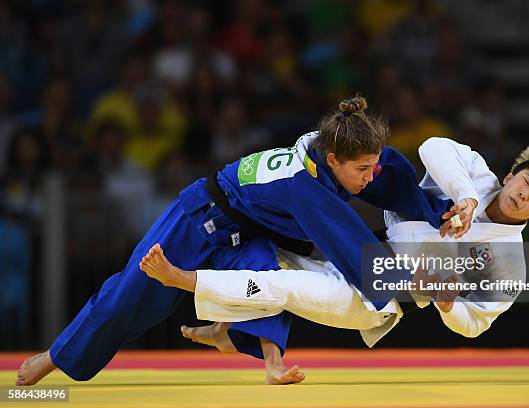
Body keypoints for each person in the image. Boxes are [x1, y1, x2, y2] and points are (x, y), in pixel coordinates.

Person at [17, 97, 452, 386]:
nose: (371, 175)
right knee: (129, 299)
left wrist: (440, 211)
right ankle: (53, 358)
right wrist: (415, 286)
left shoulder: (342, 155)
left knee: (268, 275)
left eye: (372, 164)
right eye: (363, 169)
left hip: (250, 230)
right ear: (334, 159)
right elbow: (356, 250)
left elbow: (392, 172)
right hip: (199, 218)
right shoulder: (305, 185)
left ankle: (264, 358)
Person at [139, 137, 529, 360]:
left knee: (286, 287)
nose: (526, 193)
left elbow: (475, 325)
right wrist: (464, 196)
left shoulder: (507, 264)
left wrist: (448, 306)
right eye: (526, 181)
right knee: (265, 245)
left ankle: (183, 279)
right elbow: (432, 147)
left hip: (384, 297)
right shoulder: (477, 177)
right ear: (510, 176)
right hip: (359, 251)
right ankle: (228, 330)